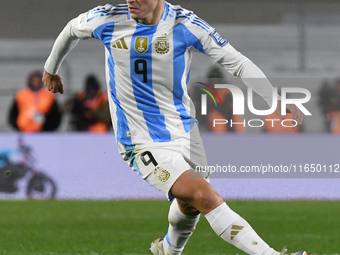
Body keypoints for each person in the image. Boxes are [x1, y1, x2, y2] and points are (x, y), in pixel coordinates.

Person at [42, 1, 306, 255]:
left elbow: (235, 61)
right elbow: (70, 29)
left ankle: (168, 250)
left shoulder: (185, 24)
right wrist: (50, 69)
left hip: (185, 132)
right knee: (204, 196)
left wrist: (273, 98)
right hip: (141, 139)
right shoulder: (108, 19)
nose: (131, 0)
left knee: (189, 206)